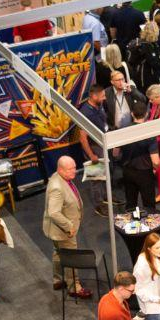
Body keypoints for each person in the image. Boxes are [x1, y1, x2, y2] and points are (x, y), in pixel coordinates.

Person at [42, 156, 91, 298]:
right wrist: (69, 226)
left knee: (58, 252)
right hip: (63, 231)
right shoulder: (57, 188)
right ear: (60, 170)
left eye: (74, 167)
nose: (74, 171)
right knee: (71, 257)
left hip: (56, 230)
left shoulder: (60, 178)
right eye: (70, 169)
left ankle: (58, 280)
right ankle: (74, 287)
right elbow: (54, 212)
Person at [118, 101, 159, 212]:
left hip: (127, 171)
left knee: (131, 203)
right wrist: (155, 168)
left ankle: (131, 222)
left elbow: (115, 153)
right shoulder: (149, 133)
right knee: (149, 205)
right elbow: (155, 161)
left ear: (132, 113)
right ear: (146, 114)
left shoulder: (122, 130)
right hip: (145, 173)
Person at [78, 83, 110, 215]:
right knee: (96, 178)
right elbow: (82, 138)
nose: (104, 98)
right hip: (94, 148)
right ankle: (99, 205)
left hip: (103, 145)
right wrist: (91, 155)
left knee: (106, 174)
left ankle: (106, 197)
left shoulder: (99, 105)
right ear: (94, 96)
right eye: (102, 96)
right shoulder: (85, 113)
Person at [127, 21, 160, 95]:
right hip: (147, 76)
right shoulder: (148, 46)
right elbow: (155, 64)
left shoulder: (142, 43)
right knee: (150, 94)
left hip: (140, 74)